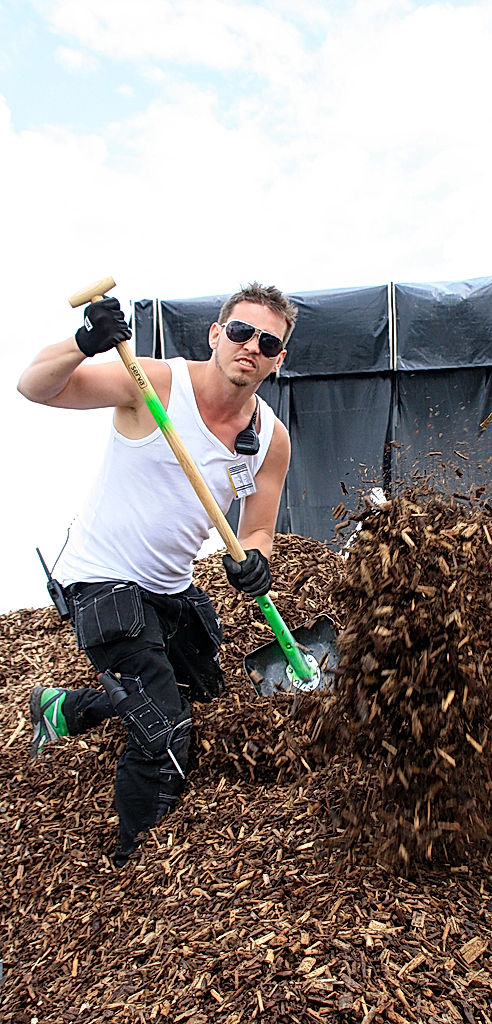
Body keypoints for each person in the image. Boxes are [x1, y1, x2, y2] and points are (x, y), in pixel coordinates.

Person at [17, 282, 296, 866]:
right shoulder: (153, 384)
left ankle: (67, 709)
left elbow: (257, 529)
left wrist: (254, 558)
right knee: (165, 733)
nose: (252, 347)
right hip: (102, 580)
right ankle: (136, 865)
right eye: (241, 332)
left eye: (267, 342)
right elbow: (35, 386)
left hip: (169, 587)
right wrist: (81, 343)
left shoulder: (270, 439)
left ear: (279, 358)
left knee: (213, 698)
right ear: (217, 335)